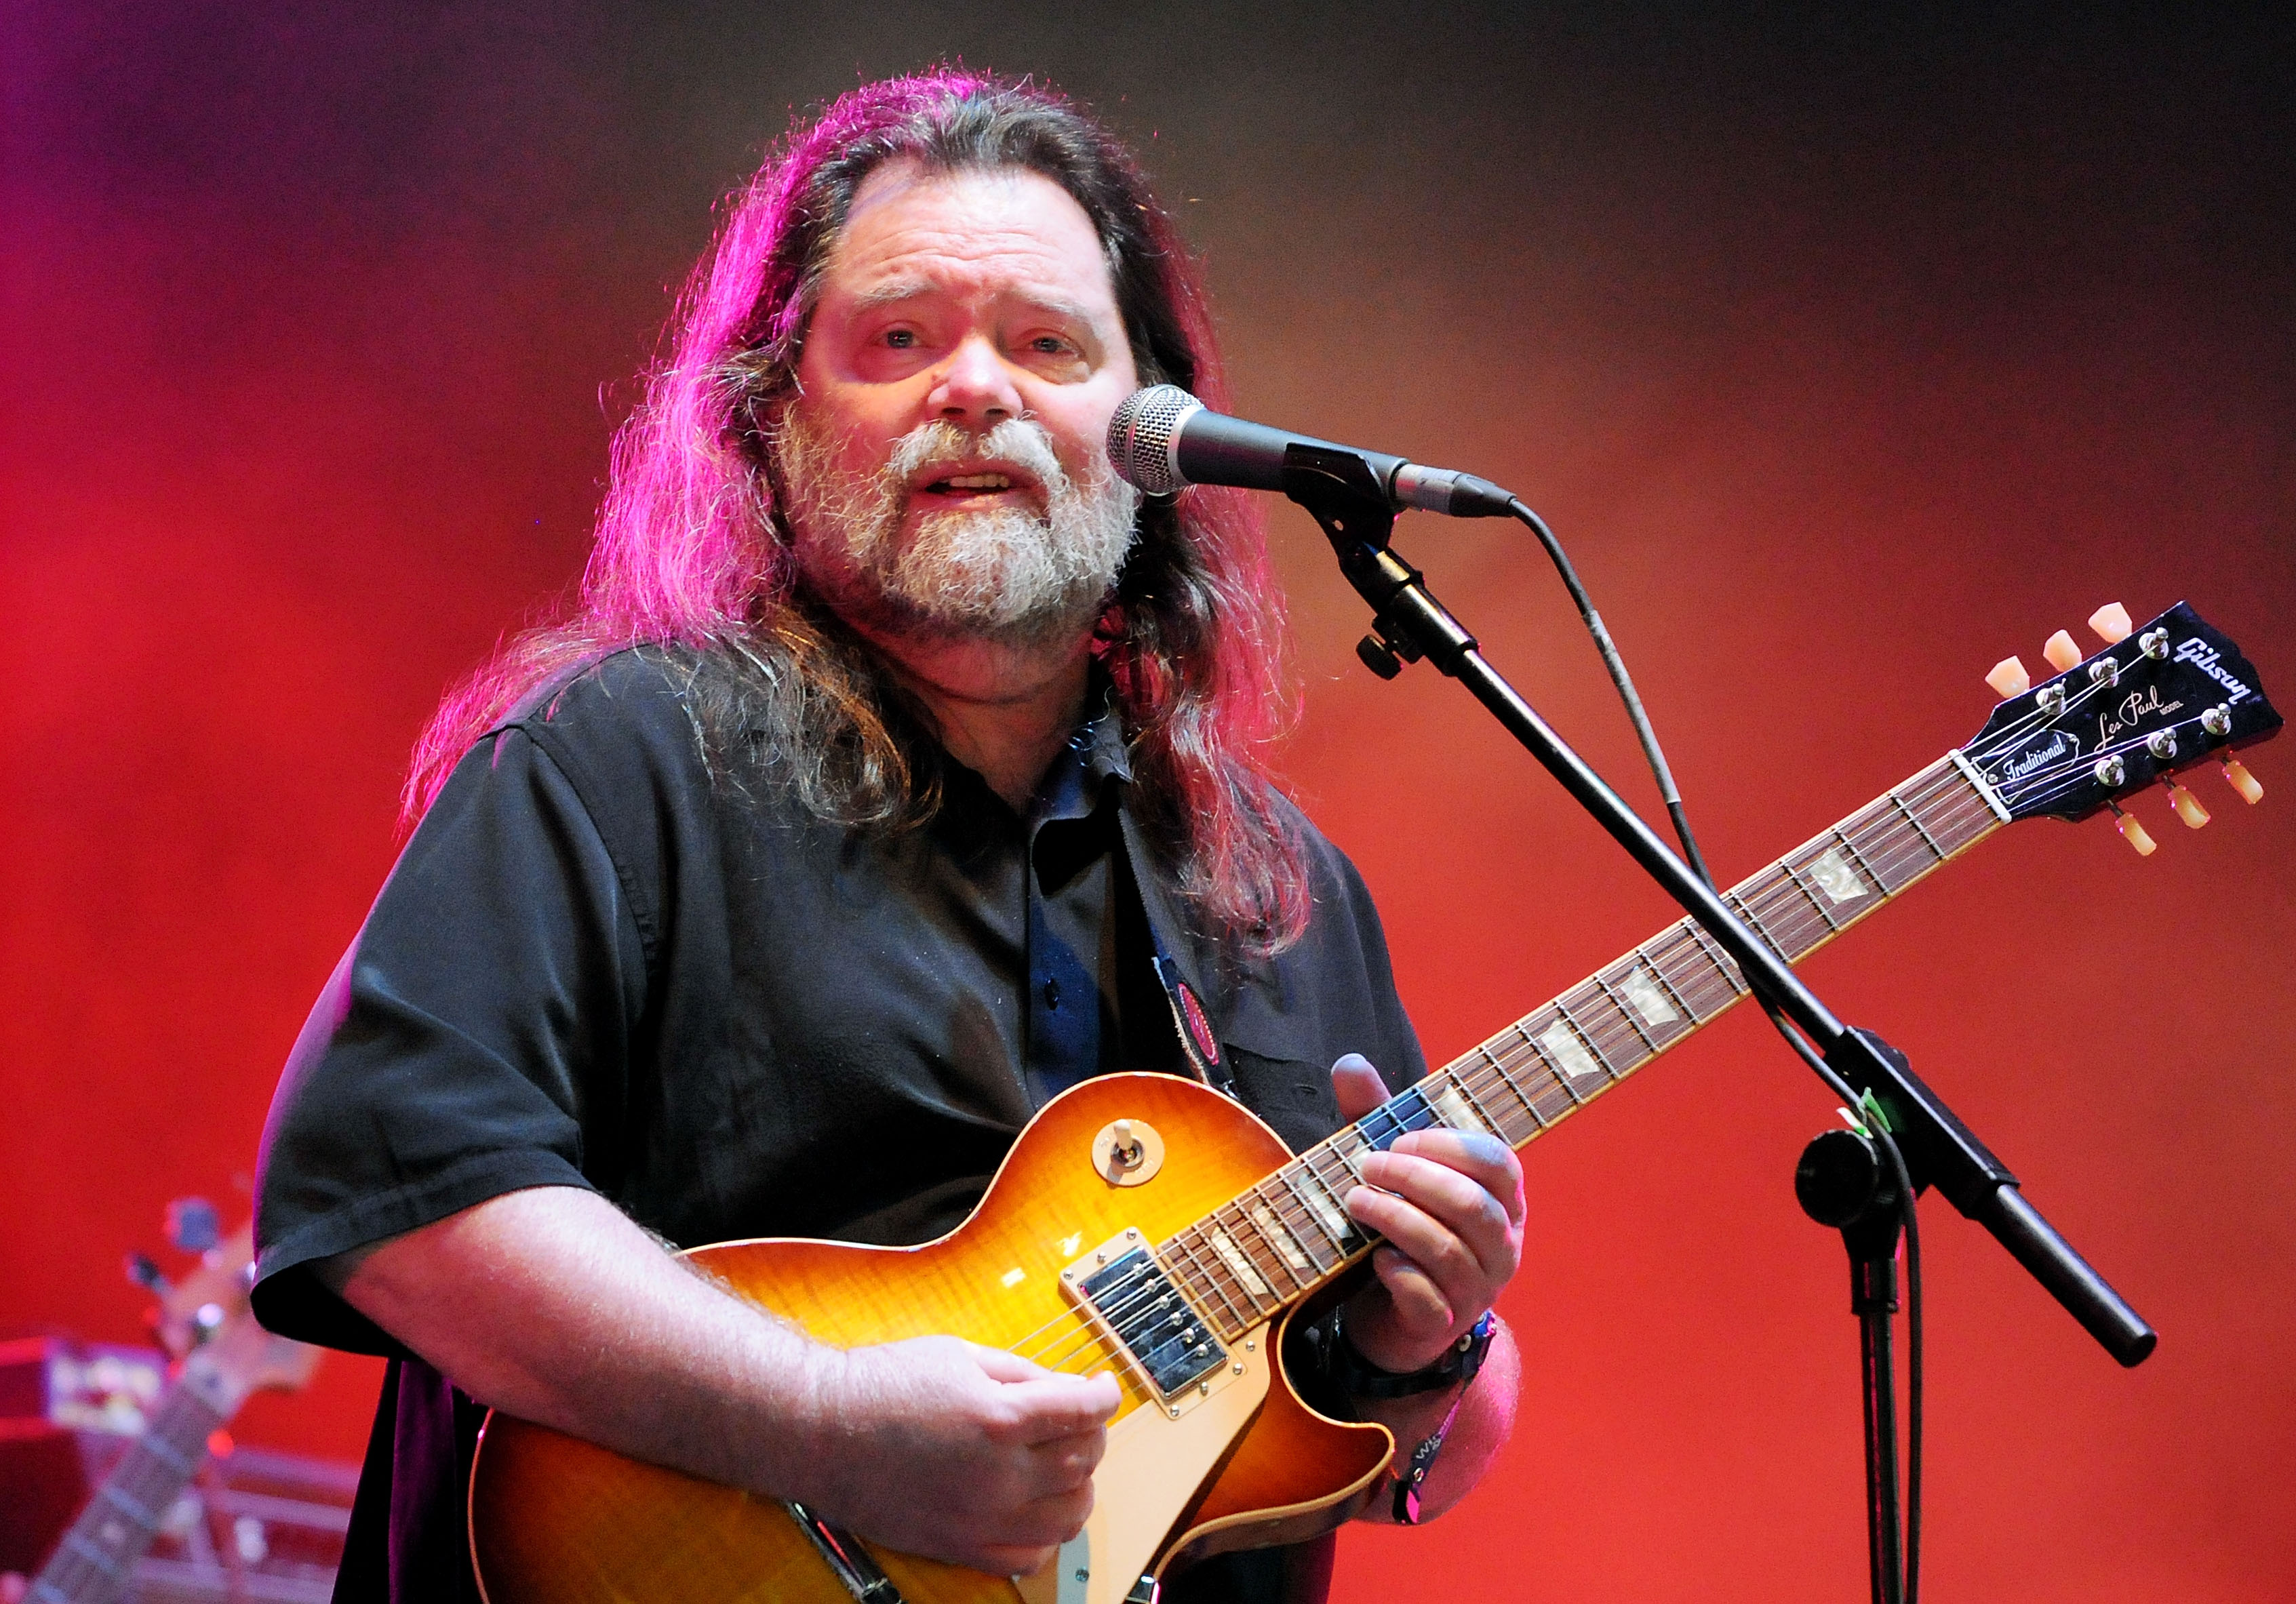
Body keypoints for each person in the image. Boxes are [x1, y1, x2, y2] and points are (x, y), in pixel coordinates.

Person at [251, 69, 1525, 1604]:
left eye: (1047, 344)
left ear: (1154, 431)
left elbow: (1422, 1464)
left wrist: (1423, 1340)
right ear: (776, 414)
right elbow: (395, 1193)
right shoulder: (620, 760)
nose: (974, 387)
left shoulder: (1275, 888)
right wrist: (825, 1422)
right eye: (900, 339)